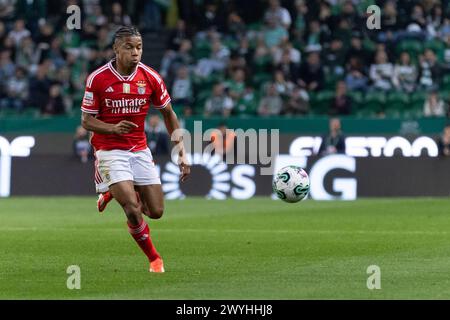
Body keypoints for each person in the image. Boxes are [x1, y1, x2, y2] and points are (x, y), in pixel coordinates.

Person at [80, 26, 190, 273]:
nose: (135, 52)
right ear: (116, 49)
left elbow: (168, 114)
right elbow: (87, 121)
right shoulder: (98, 78)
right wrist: (112, 128)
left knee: (156, 211)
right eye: (129, 47)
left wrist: (181, 152)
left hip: (139, 149)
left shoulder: (150, 76)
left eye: (138, 47)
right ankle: (154, 258)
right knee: (132, 208)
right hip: (109, 149)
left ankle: (111, 191)